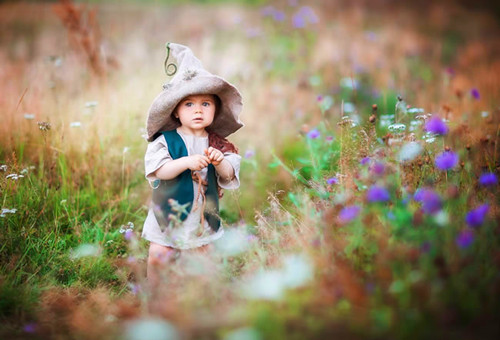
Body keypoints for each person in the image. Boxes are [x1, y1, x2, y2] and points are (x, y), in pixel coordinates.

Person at [142, 43, 244, 285]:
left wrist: (219, 163)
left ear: (215, 110)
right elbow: (159, 171)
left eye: (205, 104)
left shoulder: (218, 143)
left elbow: (229, 175)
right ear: (175, 111)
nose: (197, 110)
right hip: (168, 210)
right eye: (189, 104)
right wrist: (185, 162)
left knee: (202, 256)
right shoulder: (165, 141)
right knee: (160, 254)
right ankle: (155, 293)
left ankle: (201, 294)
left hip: (201, 213)